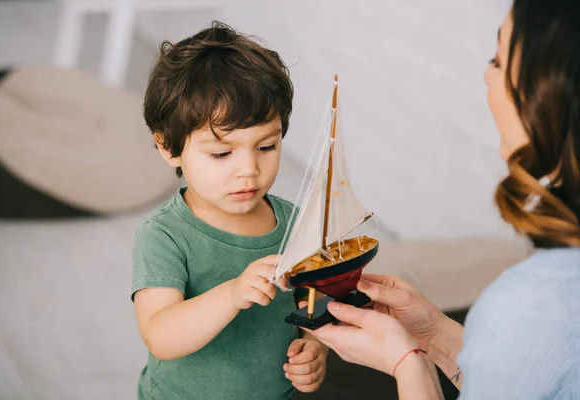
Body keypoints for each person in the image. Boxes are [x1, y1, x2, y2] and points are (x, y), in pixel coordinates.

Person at [306, 1, 580, 399]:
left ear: (549, 98)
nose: (487, 74)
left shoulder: (530, 307)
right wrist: (432, 332)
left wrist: (409, 364)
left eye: (498, 61)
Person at [131, 21, 327, 400]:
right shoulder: (164, 236)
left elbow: (314, 307)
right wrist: (232, 294)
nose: (249, 170)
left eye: (266, 147)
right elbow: (160, 335)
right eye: (222, 153)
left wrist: (316, 349)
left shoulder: (296, 223)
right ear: (168, 147)